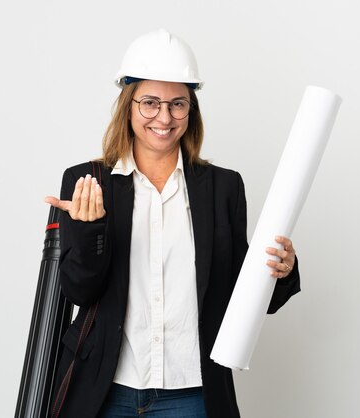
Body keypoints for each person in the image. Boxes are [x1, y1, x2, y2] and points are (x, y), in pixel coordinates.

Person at [45, 29, 300, 418]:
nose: (164, 118)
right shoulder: (88, 181)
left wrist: (281, 273)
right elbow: (79, 290)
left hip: (193, 393)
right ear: (127, 107)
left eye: (177, 104)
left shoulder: (223, 188)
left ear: (190, 110)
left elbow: (240, 294)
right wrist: (91, 230)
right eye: (150, 103)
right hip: (105, 390)